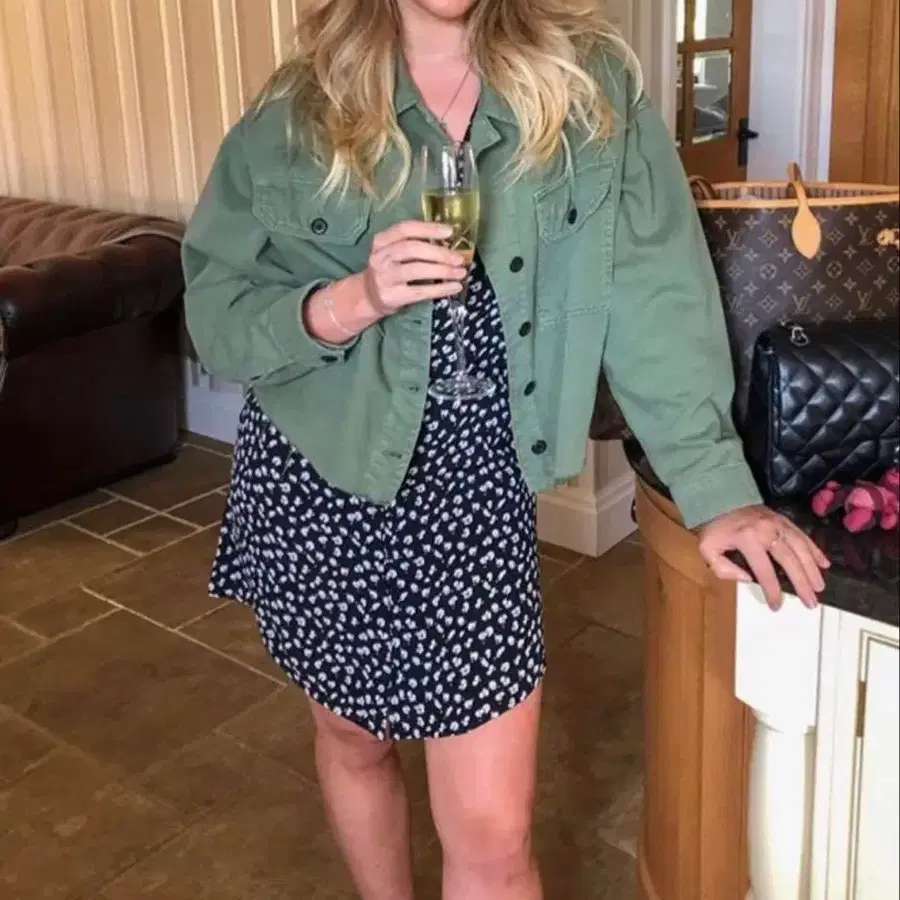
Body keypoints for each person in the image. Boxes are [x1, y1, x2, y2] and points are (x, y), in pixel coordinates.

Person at [182, 1, 830, 897]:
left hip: (477, 498)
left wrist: (716, 485)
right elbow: (217, 315)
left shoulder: (589, 84)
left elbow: (657, 294)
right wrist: (353, 300)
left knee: (493, 836)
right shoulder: (298, 107)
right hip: (325, 483)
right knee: (354, 738)